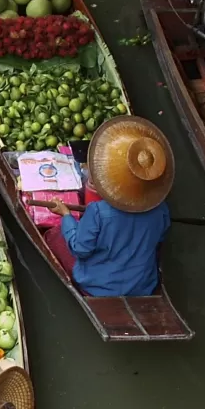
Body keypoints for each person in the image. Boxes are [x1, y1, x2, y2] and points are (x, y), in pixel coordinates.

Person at [37, 116, 173, 297]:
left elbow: (80, 249)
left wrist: (66, 215)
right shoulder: (161, 210)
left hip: (98, 287)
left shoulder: (98, 212)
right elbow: (159, 239)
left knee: (55, 236)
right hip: (143, 285)